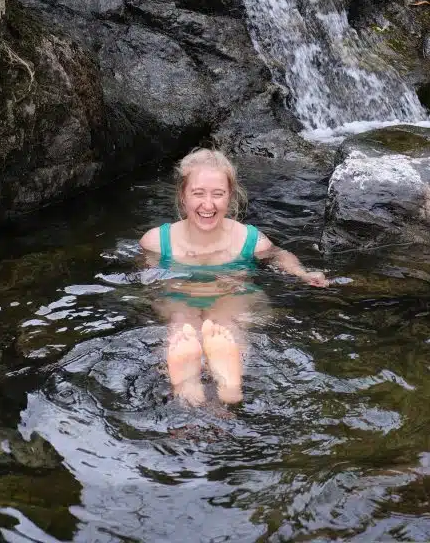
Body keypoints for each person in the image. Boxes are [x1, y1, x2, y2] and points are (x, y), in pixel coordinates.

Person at [139, 147, 328, 406]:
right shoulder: (157, 242)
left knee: (226, 322)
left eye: (218, 194)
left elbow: (278, 255)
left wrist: (303, 273)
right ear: (183, 196)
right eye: (198, 194)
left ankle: (227, 383)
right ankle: (189, 381)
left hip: (231, 293)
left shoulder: (250, 241)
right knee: (181, 324)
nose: (208, 204)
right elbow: (147, 277)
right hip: (179, 297)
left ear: (230, 197)